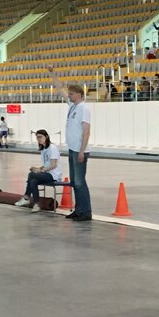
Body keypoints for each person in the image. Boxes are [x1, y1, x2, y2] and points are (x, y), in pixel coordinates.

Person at [14, 130, 64, 212]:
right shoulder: (44, 149)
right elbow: (46, 164)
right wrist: (38, 168)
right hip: (46, 173)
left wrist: (40, 170)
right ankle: (37, 205)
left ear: (46, 137)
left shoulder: (52, 148)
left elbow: (53, 165)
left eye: (40, 137)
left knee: (31, 174)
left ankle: (26, 197)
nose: (39, 139)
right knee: (33, 181)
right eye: (37, 137)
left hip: (54, 175)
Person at [63, 84, 93, 221]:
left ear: (79, 94)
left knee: (80, 182)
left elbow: (86, 131)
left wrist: (82, 150)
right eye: (69, 94)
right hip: (72, 148)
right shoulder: (73, 106)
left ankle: (86, 212)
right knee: (74, 182)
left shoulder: (84, 108)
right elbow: (59, 90)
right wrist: (52, 74)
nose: (69, 96)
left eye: (72, 94)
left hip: (79, 150)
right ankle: (79, 209)